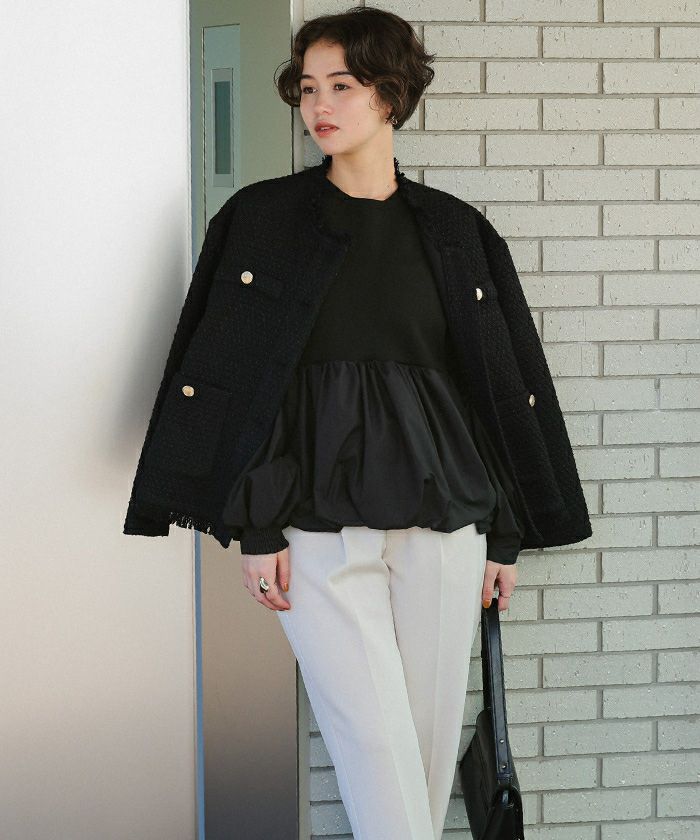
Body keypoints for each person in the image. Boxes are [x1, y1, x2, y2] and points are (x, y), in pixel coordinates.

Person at [233, 8, 523, 839]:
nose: (319, 106)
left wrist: (504, 535)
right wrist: (257, 525)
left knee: (422, 753)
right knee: (373, 743)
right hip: (318, 527)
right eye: (308, 88)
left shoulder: (455, 230)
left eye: (343, 86)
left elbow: (493, 392)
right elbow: (242, 382)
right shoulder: (265, 221)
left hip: (445, 523)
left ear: (390, 96)